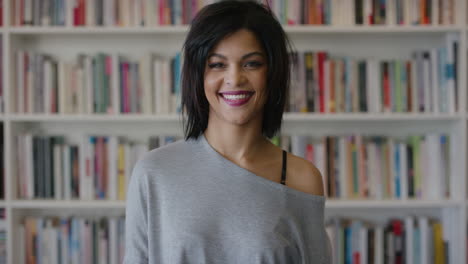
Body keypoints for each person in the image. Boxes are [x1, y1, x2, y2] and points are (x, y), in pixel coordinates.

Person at [124, 0, 331, 263]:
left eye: (252, 64)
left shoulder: (301, 178)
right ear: (198, 74)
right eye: (217, 64)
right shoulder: (154, 173)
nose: (234, 79)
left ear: (272, 72)